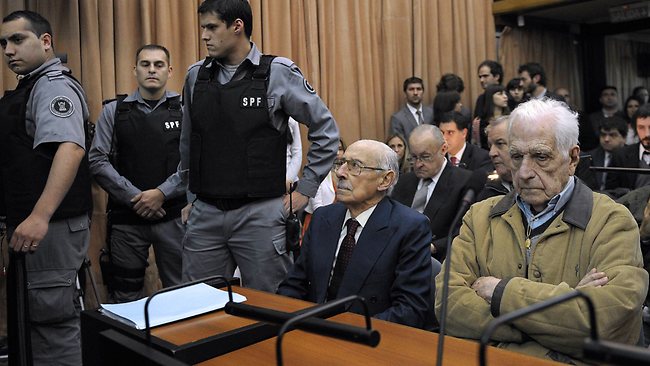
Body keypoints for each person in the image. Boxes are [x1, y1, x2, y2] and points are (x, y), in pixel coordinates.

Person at [436, 98, 647, 363]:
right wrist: (557, 310)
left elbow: (605, 323)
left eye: (540, 156)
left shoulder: (611, 221)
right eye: (516, 156)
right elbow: (447, 305)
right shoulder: (480, 217)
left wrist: (501, 292)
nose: (524, 172)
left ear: (572, 158)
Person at [179, 0, 339, 293]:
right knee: (198, 310)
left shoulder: (278, 72)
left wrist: (306, 190)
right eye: (203, 28)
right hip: (206, 214)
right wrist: (190, 196)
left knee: (270, 308)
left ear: (237, 26)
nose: (204, 36)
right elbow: (189, 143)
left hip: (261, 215)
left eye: (211, 27)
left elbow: (326, 130)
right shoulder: (195, 76)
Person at [0, 10, 92, 365]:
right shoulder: (31, 86)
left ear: (46, 41)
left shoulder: (53, 86)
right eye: (4, 43)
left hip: (50, 229)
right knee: (34, 328)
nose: (8, 50)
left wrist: (39, 216)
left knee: (52, 328)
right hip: (36, 229)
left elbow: (70, 148)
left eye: (18, 40)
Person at [278, 140, 433, 329]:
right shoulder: (323, 218)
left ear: (385, 180)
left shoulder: (410, 227)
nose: (340, 173)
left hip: (367, 338)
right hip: (310, 330)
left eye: (355, 166)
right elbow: (293, 285)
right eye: (341, 163)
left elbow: (410, 310)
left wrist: (344, 330)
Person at [89, 44, 185, 302]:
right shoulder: (114, 111)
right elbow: (97, 160)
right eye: (145, 64)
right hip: (126, 220)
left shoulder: (185, 109)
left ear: (169, 70)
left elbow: (194, 162)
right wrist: (138, 197)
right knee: (125, 295)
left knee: (182, 292)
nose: (152, 70)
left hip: (174, 217)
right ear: (135, 70)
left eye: (158, 64)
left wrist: (161, 194)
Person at [391, 124, 473, 261]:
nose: (418, 164)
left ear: (443, 149)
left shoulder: (464, 181)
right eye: (414, 157)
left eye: (425, 157)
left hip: (439, 261)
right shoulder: (404, 182)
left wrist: (433, 247)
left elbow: (465, 233)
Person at [606, 104, 650, 192]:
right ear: (635, 129)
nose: (647, 134)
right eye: (641, 128)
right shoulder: (620, 156)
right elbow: (610, 192)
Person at [585, 117, 627, 191]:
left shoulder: (633, 156)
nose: (606, 139)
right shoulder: (589, 157)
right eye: (603, 135)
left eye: (612, 135)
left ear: (624, 137)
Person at [477, 116, 513, 201]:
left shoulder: (542, 189)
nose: (491, 153)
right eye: (490, 146)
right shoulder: (485, 194)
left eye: (500, 144)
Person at [476, 84, 510, 149]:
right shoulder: (480, 122)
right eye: (500, 94)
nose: (505, 97)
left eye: (505, 94)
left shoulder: (510, 119)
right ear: (490, 97)